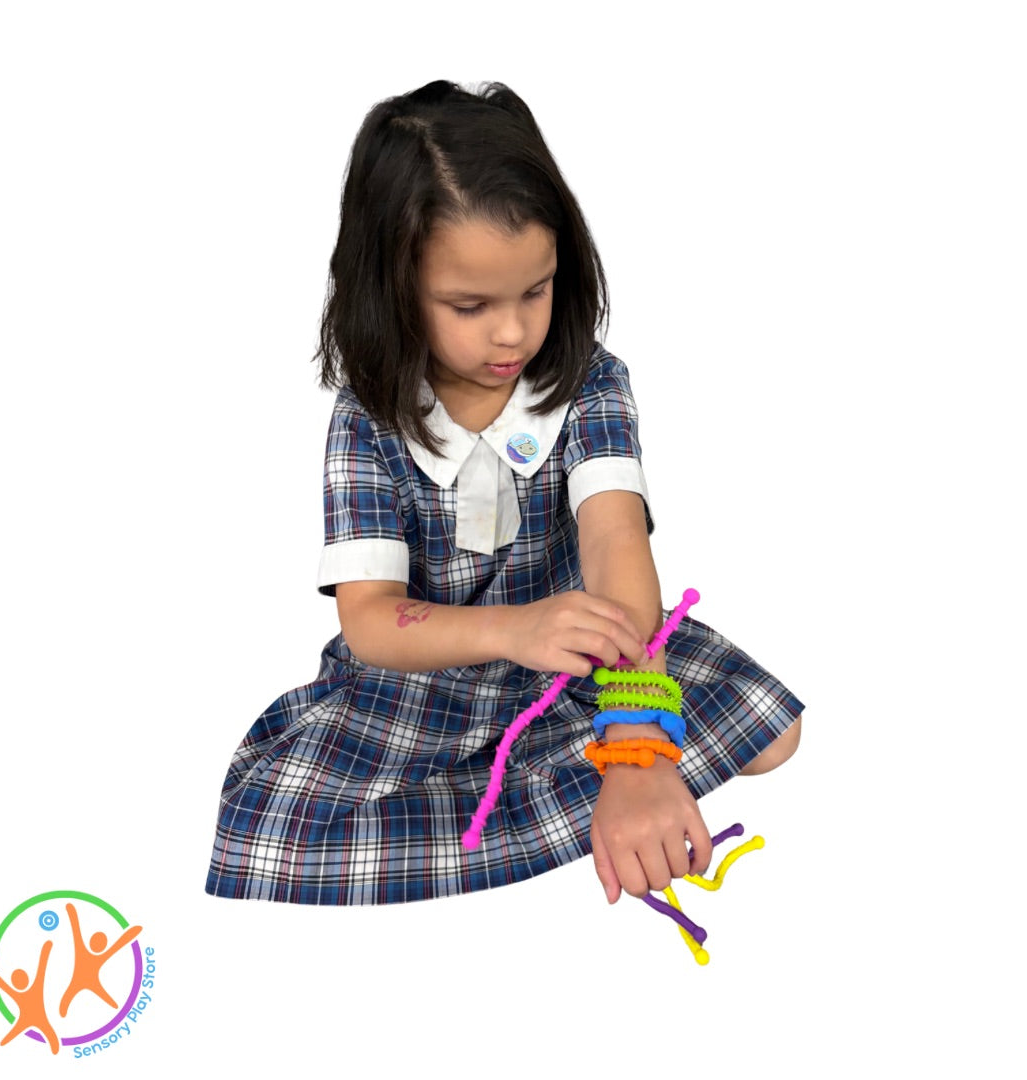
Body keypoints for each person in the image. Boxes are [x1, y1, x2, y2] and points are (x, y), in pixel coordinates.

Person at [205, 80, 804, 906]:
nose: (514, 332)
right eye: (470, 305)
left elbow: (614, 544)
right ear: (391, 287)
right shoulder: (368, 421)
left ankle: (567, 796)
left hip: (589, 645)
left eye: (536, 289)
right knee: (274, 832)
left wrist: (637, 745)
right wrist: (512, 629)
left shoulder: (590, 383)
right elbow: (372, 620)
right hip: (429, 672)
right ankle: (552, 803)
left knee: (775, 731)